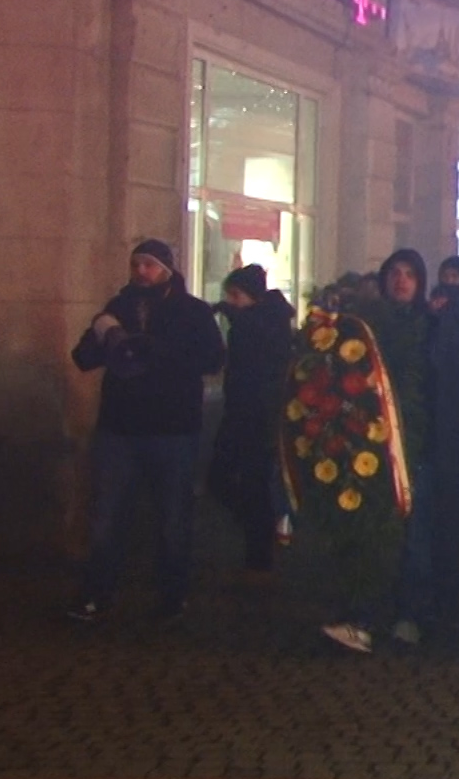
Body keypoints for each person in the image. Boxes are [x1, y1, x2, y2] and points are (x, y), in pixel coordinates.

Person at [67, 240, 227, 623]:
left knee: (173, 518)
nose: (141, 271)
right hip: (120, 428)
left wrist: (159, 352)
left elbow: (213, 358)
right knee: (106, 516)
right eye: (136, 264)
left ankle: (172, 597)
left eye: (150, 265)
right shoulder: (118, 307)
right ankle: (98, 593)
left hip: (172, 429)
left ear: (167, 270)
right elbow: (83, 357)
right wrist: (107, 337)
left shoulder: (192, 311)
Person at [322, 249, 433, 653]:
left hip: (416, 445)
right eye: (395, 273)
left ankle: (409, 616)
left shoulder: (432, 327)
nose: (401, 281)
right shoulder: (366, 328)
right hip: (369, 442)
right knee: (369, 533)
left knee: (413, 537)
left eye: (409, 274)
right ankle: (361, 616)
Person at [209, 264, 295, 579]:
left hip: (258, 417)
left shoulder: (266, 323)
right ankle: (259, 537)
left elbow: (263, 360)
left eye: (236, 295)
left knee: (253, 485)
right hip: (241, 413)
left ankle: (259, 555)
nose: (232, 301)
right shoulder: (252, 322)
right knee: (229, 481)